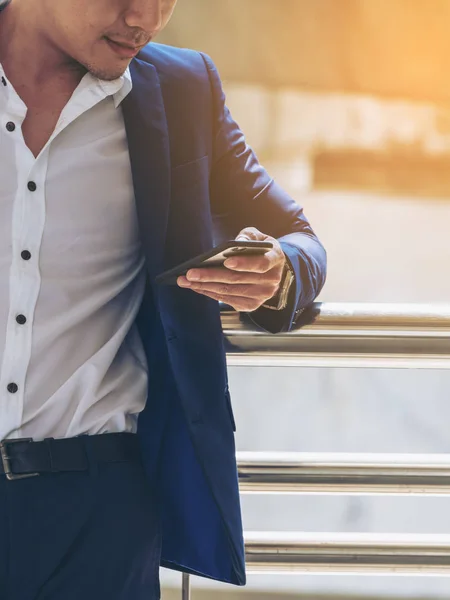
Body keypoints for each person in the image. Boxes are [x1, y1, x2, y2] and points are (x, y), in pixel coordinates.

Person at [0, 0, 327, 598]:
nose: (146, 18)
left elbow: (300, 239)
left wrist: (278, 271)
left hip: (97, 518)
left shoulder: (179, 90)